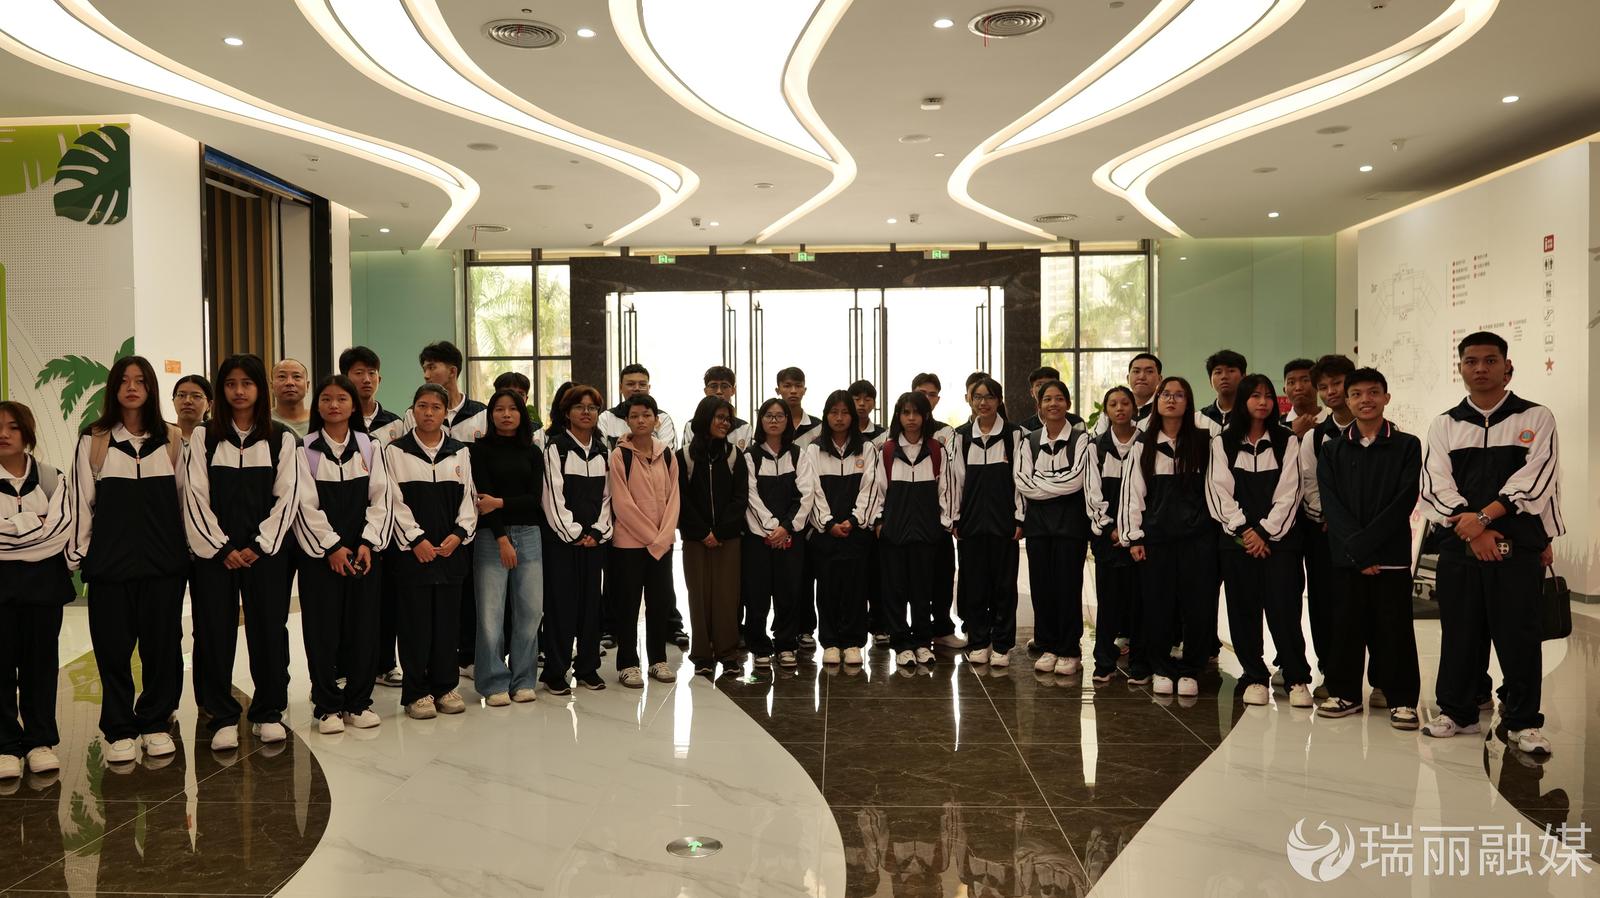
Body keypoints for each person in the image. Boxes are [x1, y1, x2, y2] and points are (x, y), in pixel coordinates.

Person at [1420, 331, 1561, 756]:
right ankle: (1458, 712)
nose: (1480, 368)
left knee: (1519, 634)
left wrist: (1484, 519)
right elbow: (1434, 484)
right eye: (1471, 361)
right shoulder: (1445, 424)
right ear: (1460, 368)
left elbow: (1536, 479)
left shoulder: (1536, 417)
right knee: (1460, 632)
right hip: (1459, 546)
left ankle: (1523, 721)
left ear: (1506, 366)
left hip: (1517, 546)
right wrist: (1473, 529)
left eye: (1490, 360)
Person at [67, 356, 187, 765]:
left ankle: (155, 723)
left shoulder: (171, 440)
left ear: (151, 388)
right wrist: (82, 556)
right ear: (113, 389)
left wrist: (184, 553)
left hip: (164, 566)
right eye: (124, 380)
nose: (132, 387)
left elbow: (185, 504)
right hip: (110, 568)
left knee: (162, 648)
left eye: (140, 381)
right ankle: (119, 729)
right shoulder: (94, 440)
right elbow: (81, 504)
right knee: (113, 651)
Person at [184, 353, 303, 751]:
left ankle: (268, 712)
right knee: (213, 632)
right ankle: (221, 716)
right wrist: (221, 547)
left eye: (247, 383)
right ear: (221, 390)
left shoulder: (281, 437)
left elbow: (288, 496)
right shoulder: (204, 436)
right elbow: (195, 497)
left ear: (259, 389)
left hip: (265, 555)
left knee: (268, 630)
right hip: (214, 555)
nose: (239, 391)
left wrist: (258, 546)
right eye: (231, 384)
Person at [1314, 367, 1422, 729]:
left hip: (1390, 556)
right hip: (1348, 557)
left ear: (1386, 397)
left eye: (1373, 392)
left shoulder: (1407, 445)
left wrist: (1369, 548)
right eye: (1357, 394)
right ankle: (1344, 693)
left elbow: (1403, 500)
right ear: (1347, 401)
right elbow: (1332, 505)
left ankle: (1401, 699)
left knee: (1394, 629)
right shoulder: (1332, 449)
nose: (1366, 400)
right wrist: (1358, 551)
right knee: (1345, 626)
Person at [1205, 374, 1311, 708]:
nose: (1263, 402)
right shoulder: (1222, 441)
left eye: (1267, 396)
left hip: (1281, 542)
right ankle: (1254, 676)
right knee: (1243, 610)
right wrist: (1245, 531)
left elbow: (1291, 491)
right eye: (1255, 396)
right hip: (1237, 542)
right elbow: (1218, 491)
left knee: (1285, 609)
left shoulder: (1286, 439)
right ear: (1243, 401)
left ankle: (1296, 677)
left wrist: (1265, 531)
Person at [292, 375, 391, 733]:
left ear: (353, 406)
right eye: (326, 399)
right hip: (320, 557)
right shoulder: (304, 449)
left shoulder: (370, 447)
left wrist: (367, 542)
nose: (334, 405)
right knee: (322, 630)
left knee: (363, 628)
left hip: (364, 553)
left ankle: (359, 703)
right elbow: (304, 504)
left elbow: (382, 498)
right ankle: (327, 706)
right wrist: (332, 547)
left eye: (342, 399)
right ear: (317, 405)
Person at [1121, 376, 1216, 698]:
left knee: (1198, 606)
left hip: (1198, 539)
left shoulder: (1204, 442)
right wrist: (1134, 537)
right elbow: (1133, 495)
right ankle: (1160, 666)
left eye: (1179, 395)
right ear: (1157, 401)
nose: (1171, 400)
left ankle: (1190, 669)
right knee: (1157, 605)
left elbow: (1215, 489)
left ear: (1188, 402)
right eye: (1166, 394)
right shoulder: (1142, 444)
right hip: (1156, 539)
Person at [387, 383, 477, 718]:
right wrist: (416, 540)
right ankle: (416, 692)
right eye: (422, 406)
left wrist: (458, 535)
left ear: (444, 413)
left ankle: (445, 686)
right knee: (415, 625)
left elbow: (469, 498)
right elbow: (392, 501)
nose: (428, 413)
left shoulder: (459, 451)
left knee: (447, 625)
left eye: (436, 407)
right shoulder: (396, 451)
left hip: (451, 554)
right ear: (413, 411)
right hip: (413, 556)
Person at [0, 402, 74, 779]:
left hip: (45, 589)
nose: (4, 434)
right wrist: (35, 525)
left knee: (40, 667)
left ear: (27, 433)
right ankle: (5, 746)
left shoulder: (51, 478)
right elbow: (45, 532)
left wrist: (11, 529)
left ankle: (39, 742)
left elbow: (60, 532)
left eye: (13, 427)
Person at [410, 341, 486, 677]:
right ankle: (429, 661)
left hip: (472, 515)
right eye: (424, 368)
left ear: (453, 371)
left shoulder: (481, 413)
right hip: (427, 518)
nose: (427, 374)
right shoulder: (413, 416)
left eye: (432, 367)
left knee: (467, 590)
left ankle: (466, 656)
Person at [869, 391, 960, 667]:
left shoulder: (936, 450)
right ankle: (901, 644)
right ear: (898, 416)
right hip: (894, 535)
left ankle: (922, 642)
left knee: (923, 591)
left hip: (926, 534)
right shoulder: (886, 451)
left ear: (925, 416)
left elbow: (946, 490)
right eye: (906, 413)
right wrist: (879, 523)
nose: (911, 418)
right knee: (895, 590)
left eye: (916, 413)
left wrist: (943, 525)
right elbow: (877, 491)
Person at [470, 387, 545, 706]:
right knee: (490, 614)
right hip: (491, 536)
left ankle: (524, 680)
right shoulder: (479, 450)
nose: (506, 414)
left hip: (529, 534)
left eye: (512, 409)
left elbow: (533, 500)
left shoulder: (533, 452)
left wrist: (500, 502)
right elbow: (482, 500)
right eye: (499, 409)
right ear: (491, 415)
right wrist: (502, 538)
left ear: (521, 413)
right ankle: (493, 682)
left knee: (530, 611)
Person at [1015, 379, 1090, 675]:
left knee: (1068, 586)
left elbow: (1077, 480)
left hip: (1070, 525)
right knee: (1042, 586)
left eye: (1059, 398)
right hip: (1038, 526)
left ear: (1068, 404)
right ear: (1040, 405)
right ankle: (1047, 645)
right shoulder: (1029, 440)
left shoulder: (1081, 439)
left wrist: (1041, 483)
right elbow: (1022, 481)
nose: (1053, 404)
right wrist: (1055, 485)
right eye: (1047, 399)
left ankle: (1069, 649)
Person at [540, 384, 611, 694]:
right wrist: (575, 533)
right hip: (561, 543)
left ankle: (587, 668)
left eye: (592, 408)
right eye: (579, 407)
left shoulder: (603, 450)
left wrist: (597, 532)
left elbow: (609, 498)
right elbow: (552, 498)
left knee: (591, 606)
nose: (586, 412)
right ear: (567, 413)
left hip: (593, 543)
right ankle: (555, 671)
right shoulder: (555, 448)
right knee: (561, 607)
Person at [608, 394, 681, 687]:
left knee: (660, 603)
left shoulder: (667, 454)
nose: (641, 420)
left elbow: (674, 498)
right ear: (627, 421)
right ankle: (628, 663)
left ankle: (658, 660)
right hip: (629, 544)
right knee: (627, 605)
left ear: (656, 420)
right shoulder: (619, 455)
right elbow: (622, 503)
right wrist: (654, 538)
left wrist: (664, 536)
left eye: (646, 415)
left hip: (662, 544)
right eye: (635, 416)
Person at [1296, 354, 1356, 699]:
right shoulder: (1315, 436)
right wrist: (1328, 516)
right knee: (1324, 604)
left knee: (1371, 607)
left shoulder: (1383, 431)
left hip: (1368, 534)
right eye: (1324, 386)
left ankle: (1381, 678)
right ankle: (1331, 673)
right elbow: (1309, 482)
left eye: (1337, 383)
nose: (1331, 391)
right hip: (1325, 532)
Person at [953, 377, 1024, 667]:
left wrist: (1020, 517)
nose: (983, 403)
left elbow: (1021, 481)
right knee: (974, 585)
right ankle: (978, 641)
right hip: (970, 525)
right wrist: (955, 518)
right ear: (970, 400)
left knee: (1004, 586)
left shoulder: (1013, 435)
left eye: (990, 397)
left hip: (1004, 524)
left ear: (999, 400)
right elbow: (955, 481)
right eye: (978, 397)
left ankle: (1002, 645)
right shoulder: (961, 436)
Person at [742, 398, 817, 668]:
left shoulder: (798, 455)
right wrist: (771, 528)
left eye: (780, 416)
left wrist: (786, 528)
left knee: (789, 591)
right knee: (757, 594)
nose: (774, 421)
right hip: (758, 538)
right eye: (769, 416)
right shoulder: (750, 456)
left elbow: (806, 495)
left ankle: (786, 644)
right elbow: (750, 496)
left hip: (791, 537)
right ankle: (759, 645)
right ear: (761, 420)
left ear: (787, 421)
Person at [678, 396, 749, 676]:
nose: (725, 423)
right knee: (698, 595)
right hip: (695, 539)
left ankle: (728, 653)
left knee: (727, 595)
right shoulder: (684, 456)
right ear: (705, 418)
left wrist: (718, 532)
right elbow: (681, 499)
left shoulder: (734, 455)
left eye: (727, 419)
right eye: (719, 417)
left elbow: (740, 498)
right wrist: (702, 532)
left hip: (728, 538)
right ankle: (702, 654)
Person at [807, 390, 878, 666]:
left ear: (853, 416)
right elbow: (812, 490)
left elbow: (871, 487)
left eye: (845, 412)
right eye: (834, 412)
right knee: (827, 588)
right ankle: (830, 642)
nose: (839, 418)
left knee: (856, 588)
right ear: (826, 416)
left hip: (856, 532)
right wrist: (827, 523)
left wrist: (854, 520)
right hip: (825, 533)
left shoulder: (867, 448)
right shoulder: (814, 449)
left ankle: (853, 642)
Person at [1084, 387, 1146, 684]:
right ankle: (1104, 662)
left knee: (1140, 601)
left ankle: (1140, 662)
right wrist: (1111, 529)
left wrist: (1133, 532)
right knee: (1108, 602)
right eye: (1113, 404)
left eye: (1125, 403)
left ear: (1134, 408)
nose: (1119, 408)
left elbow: (1150, 493)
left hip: (1140, 538)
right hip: (1107, 538)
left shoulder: (1147, 443)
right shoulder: (1096, 447)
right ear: (1106, 410)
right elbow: (1092, 494)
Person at [911, 373, 966, 649]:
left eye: (931, 394)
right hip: (907, 520)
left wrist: (951, 518)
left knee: (943, 575)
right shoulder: (895, 434)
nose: (926, 398)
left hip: (939, 519)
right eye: (921, 392)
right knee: (911, 579)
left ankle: (942, 627)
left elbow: (954, 477)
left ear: (938, 399)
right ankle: (913, 630)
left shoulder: (947, 433)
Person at [599, 364, 678, 448]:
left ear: (649, 388)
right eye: (630, 384)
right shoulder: (606, 418)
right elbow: (601, 453)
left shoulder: (663, 418)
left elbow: (667, 453)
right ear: (620, 388)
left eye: (642, 384)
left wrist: (652, 431)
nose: (637, 388)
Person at [340, 346, 404, 444]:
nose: (367, 380)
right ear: (345, 379)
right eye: (359, 373)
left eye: (371, 373)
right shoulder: (339, 422)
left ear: (379, 379)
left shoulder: (395, 423)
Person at [1091, 354, 1161, 436]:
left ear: (1159, 379)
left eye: (1149, 371)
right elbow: (1097, 441)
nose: (1142, 377)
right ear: (1128, 378)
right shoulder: (1112, 409)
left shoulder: (1164, 408)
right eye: (1136, 371)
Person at [1019, 366, 1085, 433]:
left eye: (1051, 383)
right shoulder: (1025, 428)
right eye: (1040, 385)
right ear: (1032, 392)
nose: (1046, 388)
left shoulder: (1076, 423)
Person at [700, 366, 752, 449]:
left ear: (733, 391)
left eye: (724, 386)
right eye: (713, 386)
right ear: (705, 391)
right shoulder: (692, 426)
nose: (719, 391)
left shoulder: (744, 428)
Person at [1198, 350, 1246, 433]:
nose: (1224, 376)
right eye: (1218, 372)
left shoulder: (1252, 417)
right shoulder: (1198, 419)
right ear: (1210, 381)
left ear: (1243, 377)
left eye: (1231, 371)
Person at [776, 367, 821, 446]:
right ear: (778, 390)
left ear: (804, 390)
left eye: (798, 386)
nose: (793, 391)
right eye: (787, 386)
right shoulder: (771, 425)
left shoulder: (818, 426)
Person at [270, 358, 312, 438]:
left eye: (296, 376)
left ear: (307, 385)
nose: (289, 382)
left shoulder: (321, 420)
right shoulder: (263, 421)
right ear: (272, 386)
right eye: (282, 376)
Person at [1282, 359, 1319, 435]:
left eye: (1305, 380)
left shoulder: (1334, 423)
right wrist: (1292, 434)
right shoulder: (1276, 426)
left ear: (1318, 386)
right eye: (1291, 382)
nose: (1298, 388)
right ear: (1284, 390)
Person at [172, 374, 212, 443]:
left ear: (209, 404)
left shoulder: (215, 438)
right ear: (173, 401)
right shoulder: (163, 437)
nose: (187, 401)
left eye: (196, 396)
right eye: (181, 395)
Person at [849, 380, 887, 445]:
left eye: (867, 400)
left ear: (874, 404)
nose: (862, 403)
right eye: (857, 399)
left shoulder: (883, 435)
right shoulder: (842, 432)